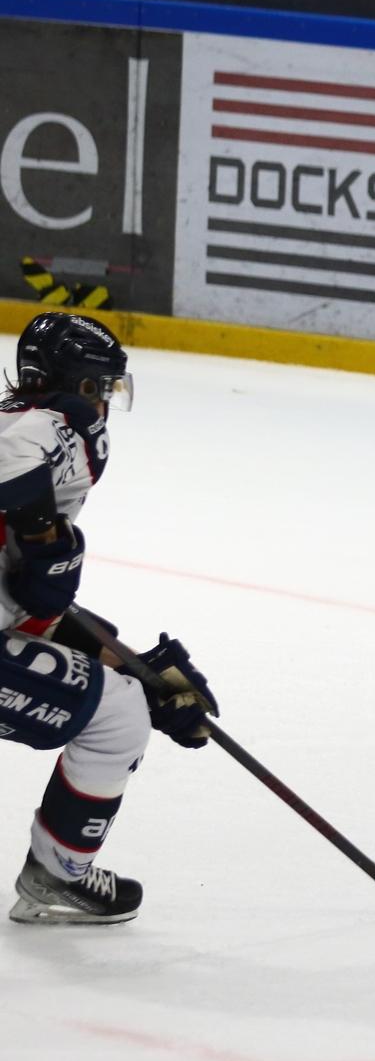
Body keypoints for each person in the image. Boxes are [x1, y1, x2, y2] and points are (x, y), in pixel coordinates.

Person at [2, 312, 215, 925]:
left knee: (120, 691)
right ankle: (58, 874)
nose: (104, 405)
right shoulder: (47, 427)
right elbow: (14, 458)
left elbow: (29, 613)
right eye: (101, 388)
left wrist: (137, 670)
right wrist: (43, 535)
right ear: (77, 385)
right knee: (116, 715)